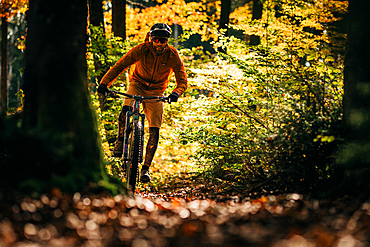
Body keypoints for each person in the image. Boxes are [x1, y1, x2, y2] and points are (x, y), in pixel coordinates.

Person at [97, 23, 188, 183]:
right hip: (137, 84)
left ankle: (145, 168)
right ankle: (120, 141)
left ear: (167, 40)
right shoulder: (141, 49)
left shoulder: (173, 55)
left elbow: (182, 81)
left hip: (157, 90)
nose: (159, 43)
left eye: (163, 40)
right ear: (150, 38)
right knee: (126, 110)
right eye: (156, 39)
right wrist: (104, 83)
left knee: (155, 128)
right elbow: (120, 66)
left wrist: (175, 93)